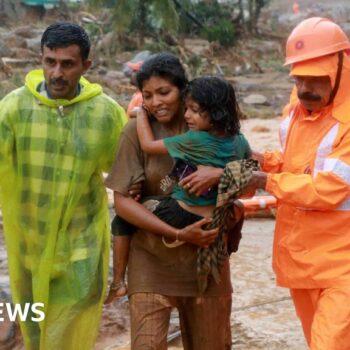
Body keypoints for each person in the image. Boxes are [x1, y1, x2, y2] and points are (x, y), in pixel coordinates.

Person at [0, 22, 127, 349]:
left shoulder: (105, 114)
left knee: (65, 337)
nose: (57, 73)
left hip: (79, 251)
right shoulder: (14, 109)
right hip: (27, 251)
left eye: (67, 64)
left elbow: (129, 176)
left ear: (86, 65)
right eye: (49, 62)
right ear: (40, 59)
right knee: (35, 334)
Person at [105, 53, 237, 349]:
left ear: (183, 90)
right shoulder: (136, 133)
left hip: (206, 265)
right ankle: (119, 282)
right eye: (147, 95)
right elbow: (123, 203)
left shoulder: (215, 131)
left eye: (164, 92)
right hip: (151, 261)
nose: (155, 103)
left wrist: (218, 174)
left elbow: (253, 177)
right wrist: (177, 233)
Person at [244, 17, 350, 349]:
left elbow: (328, 188)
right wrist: (260, 159)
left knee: (328, 343)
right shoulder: (297, 107)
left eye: (316, 79)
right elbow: (296, 161)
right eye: (299, 78)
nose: (305, 88)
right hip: (303, 260)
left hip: (342, 266)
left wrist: (266, 179)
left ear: (340, 67)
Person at [106, 76, 251, 300]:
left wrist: (141, 113)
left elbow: (147, 145)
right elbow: (250, 168)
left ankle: (117, 283)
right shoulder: (240, 141)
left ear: (214, 113)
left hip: (182, 213)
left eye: (193, 110)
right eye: (187, 109)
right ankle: (232, 242)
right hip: (217, 217)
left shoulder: (194, 140)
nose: (186, 115)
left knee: (126, 216)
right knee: (232, 203)